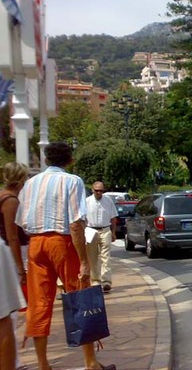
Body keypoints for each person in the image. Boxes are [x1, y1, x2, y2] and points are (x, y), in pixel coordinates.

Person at [16, 142, 116, 370]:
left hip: (36, 244)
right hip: (62, 243)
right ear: (69, 160)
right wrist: (83, 261)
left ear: (46, 160)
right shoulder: (72, 181)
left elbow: (22, 222)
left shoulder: (30, 184)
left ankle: (43, 364)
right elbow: (76, 223)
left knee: (39, 303)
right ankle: (90, 362)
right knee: (79, 298)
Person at [0, 162, 28, 370]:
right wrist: (20, 267)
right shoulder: (11, 201)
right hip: (6, 256)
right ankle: (13, 362)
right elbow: (12, 237)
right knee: (10, 314)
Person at [86, 181, 118, 292]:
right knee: (93, 257)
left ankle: (106, 281)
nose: (99, 192)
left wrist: (113, 232)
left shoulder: (108, 201)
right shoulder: (87, 202)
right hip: (91, 231)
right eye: (96, 190)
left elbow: (113, 218)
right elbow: (82, 219)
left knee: (106, 257)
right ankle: (95, 281)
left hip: (105, 230)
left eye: (101, 190)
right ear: (92, 190)